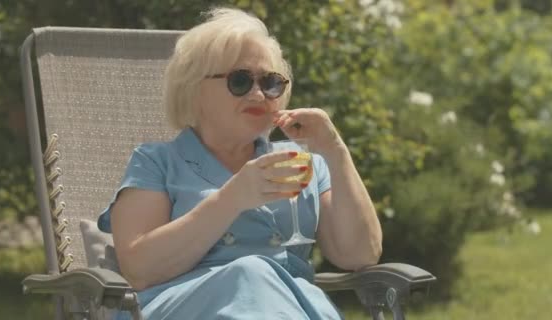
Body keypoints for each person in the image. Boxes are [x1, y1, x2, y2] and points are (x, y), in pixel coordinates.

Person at [97, 7, 382, 320]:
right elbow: (139, 269)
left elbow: (359, 254)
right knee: (251, 273)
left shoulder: (300, 164)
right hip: (181, 307)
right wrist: (231, 199)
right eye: (241, 81)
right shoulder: (156, 163)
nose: (259, 94)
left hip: (289, 308)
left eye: (271, 83)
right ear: (194, 89)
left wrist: (335, 150)